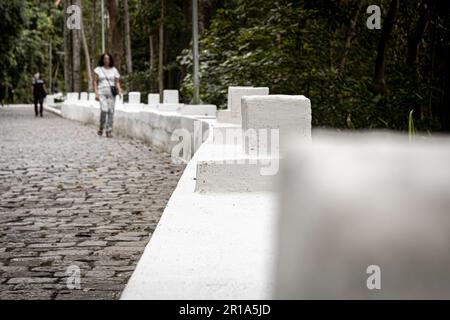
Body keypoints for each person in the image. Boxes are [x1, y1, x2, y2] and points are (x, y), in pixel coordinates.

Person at [93, 53, 122, 138]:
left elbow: (117, 82)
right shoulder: (98, 69)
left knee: (111, 111)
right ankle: (101, 127)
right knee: (104, 109)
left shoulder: (114, 70)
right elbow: (95, 82)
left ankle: (109, 131)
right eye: (105, 59)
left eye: (108, 59)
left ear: (110, 60)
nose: (106, 60)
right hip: (101, 92)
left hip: (111, 93)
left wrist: (119, 90)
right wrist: (96, 93)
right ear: (102, 60)